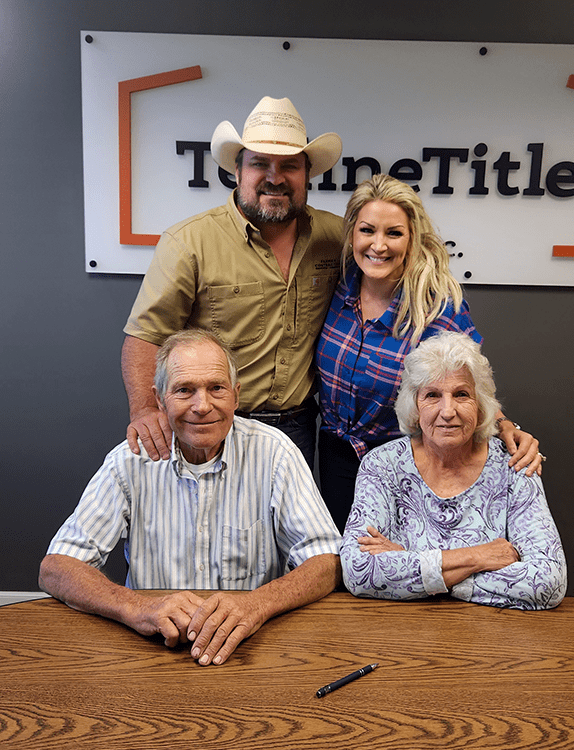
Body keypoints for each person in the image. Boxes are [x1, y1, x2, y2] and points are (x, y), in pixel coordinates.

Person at [39, 329, 342, 666]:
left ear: (236, 395)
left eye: (216, 388)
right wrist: (137, 607)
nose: (202, 406)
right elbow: (57, 568)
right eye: (184, 390)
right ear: (159, 399)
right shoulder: (130, 460)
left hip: (252, 648)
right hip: (151, 649)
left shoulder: (275, 453)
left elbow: (326, 561)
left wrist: (256, 604)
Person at [122, 96, 344, 467]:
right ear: (238, 172)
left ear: (308, 174)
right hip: (210, 425)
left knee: (287, 527)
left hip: (299, 429)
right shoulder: (189, 242)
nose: (275, 177)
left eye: (290, 165)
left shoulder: (337, 238)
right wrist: (145, 410)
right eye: (260, 164)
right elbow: (146, 336)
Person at [316, 174, 543, 531]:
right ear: (351, 235)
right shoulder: (339, 285)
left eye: (393, 233)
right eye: (367, 230)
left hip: (402, 462)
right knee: (342, 565)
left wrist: (505, 426)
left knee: (393, 569)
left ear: (412, 239)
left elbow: (469, 384)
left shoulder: (437, 307)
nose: (378, 245)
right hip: (334, 456)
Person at [340, 331, 566, 610]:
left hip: (496, 639)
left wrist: (412, 564)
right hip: (399, 636)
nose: (448, 411)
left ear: (482, 405)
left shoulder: (515, 464)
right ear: (415, 406)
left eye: (461, 394)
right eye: (432, 395)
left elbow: (548, 581)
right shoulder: (382, 465)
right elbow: (357, 569)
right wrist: (478, 557)